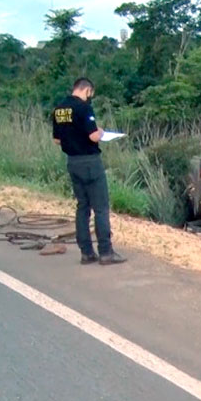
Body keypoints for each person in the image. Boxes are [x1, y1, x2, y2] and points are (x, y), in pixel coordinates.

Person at [51, 77, 125, 265]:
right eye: (90, 94)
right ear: (87, 90)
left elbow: (57, 140)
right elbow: (93, 136)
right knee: (100, 208)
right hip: (90, 162)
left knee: (82, 207)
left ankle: (86, 252)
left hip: (72, 162)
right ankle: (106, 252)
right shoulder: (84, 108)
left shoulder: (59, 109)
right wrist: (100, 132)